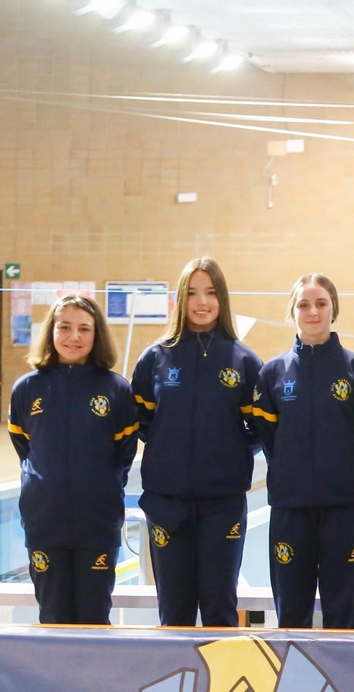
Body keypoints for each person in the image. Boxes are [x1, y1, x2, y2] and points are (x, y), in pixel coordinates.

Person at [131, 258, 262, 627]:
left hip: (222, 503)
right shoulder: (155, 359)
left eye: (210, 293)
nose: (201, 302)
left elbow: (259, 427)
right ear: (180, 299)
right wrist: (168, 447)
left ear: (222, 298)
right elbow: (141, 421)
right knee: (174, 612)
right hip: (166, 502)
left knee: (220, 606)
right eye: (192, 293)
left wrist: (230, 451)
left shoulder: (244, 361)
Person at [252, 275, 354, 629]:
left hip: (344, 510)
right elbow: (269, 438)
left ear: (333, 309)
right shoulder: (272, 373)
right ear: (292, 311)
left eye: (321, 303)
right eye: (304, 304)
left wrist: (351, 476)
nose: (313, 311)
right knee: (292, 616)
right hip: (290, 512)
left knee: (342, 616)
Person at [8, 295, 138, 624]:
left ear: (97, 335)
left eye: (84, 329)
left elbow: (124, 454)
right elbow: (25, 446)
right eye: (64, 327)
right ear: (51, 331)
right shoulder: (27, 388)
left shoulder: (116, 390)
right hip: (44, 522)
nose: (74, 337)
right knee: (52, 616)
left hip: (97, 522)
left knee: (94, 616)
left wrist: (97, 486)